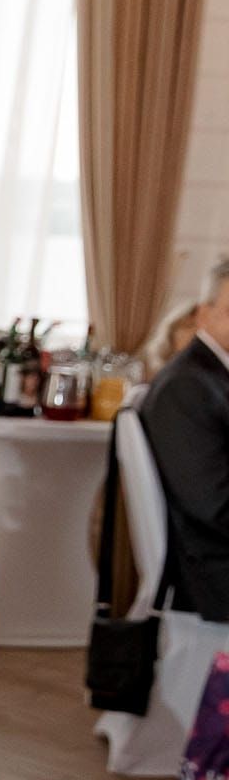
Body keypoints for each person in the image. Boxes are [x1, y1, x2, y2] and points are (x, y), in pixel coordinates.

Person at [139, 255, 229, 625]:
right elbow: (214, 506)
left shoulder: (212, 379)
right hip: (209, 573)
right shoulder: (188, 386)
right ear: (203, 315)